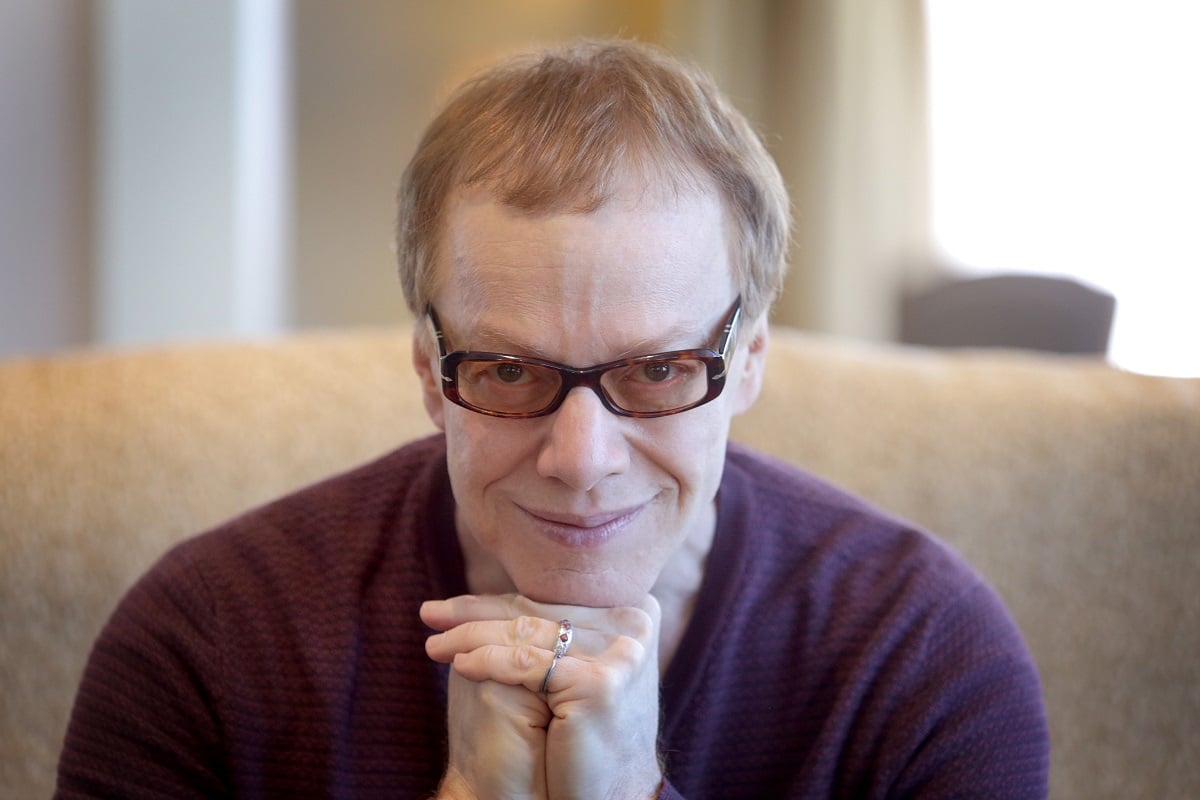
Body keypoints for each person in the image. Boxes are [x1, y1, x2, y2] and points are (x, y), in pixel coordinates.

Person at [56, 38, 1049, 799]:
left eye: (659, 369)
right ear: (427, 369)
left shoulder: (921, 653)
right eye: (506, 369)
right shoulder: (208, 639)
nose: (580, 457)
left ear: (748, 362)